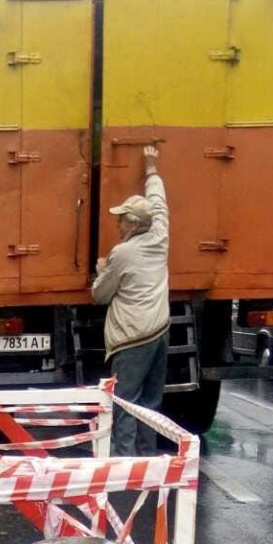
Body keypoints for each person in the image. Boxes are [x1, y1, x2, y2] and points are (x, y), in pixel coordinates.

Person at [91, 144, 169, 455]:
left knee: (124, 404)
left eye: (123, 219)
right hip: (160, 334)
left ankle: (125, 465)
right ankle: (147, 460)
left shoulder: (122, 253)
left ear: (134, 225)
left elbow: (100, 295)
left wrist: (101, 271)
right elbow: (159, 205)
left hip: (131, 341)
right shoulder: (160, 237)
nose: (118, 223)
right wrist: (151, 169)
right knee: (150, 404)